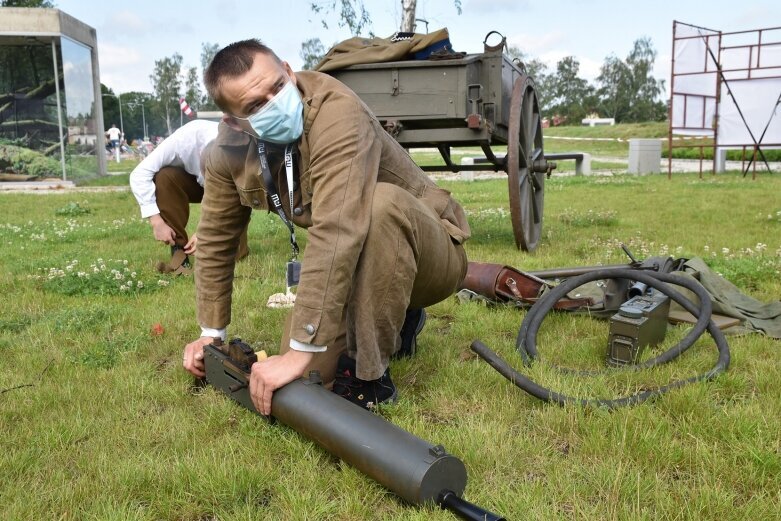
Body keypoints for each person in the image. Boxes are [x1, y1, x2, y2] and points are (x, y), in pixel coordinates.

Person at [182, 39, 470, 415]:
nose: (275, 103)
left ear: (288, 70)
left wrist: (301, 348)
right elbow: (217, 243)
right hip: (359, 259)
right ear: (235, 123)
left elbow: (336, 229)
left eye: (277, 87)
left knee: (380, 205)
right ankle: (399, 319)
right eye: (256, 106)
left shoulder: (339, 113)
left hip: (432, 254)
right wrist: (211, 336)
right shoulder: (224, 155)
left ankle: (368, 378)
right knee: (305, 378)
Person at [129, 120, 249, 273]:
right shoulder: (182, 140)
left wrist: (206, 233)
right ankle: (178, 248)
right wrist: (156, 221)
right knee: (165, 177)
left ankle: (235, 244)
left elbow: (239, 196)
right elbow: (139, 174)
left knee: (226, 256)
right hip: (197, 183)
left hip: (231, 192)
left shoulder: (236, 149)